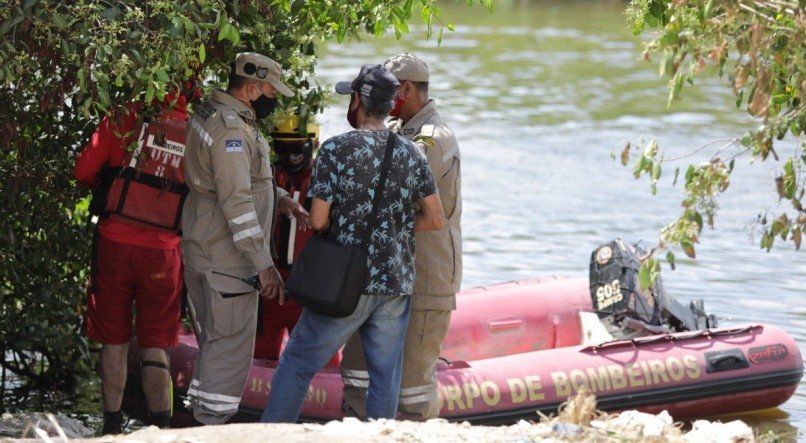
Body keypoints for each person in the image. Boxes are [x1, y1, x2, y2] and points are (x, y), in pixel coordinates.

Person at [260, 64, 445, 423]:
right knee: (384, 376)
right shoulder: (412, 152)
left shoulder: (335, 149)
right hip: (395, 282)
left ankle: (272, 433)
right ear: (391, 105)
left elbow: (316, 220)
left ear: (358, 100)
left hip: (345, 282)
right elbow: (436, 218)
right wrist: (394, 229)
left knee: (298, 362)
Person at [181, 52, 309, 425]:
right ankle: (211, 426)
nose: (275, 98)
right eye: (271, 90)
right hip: (227, 260)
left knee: (214, 347)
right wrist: (264, 266)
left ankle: (201, 422)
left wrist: (281, 200)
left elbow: (231, 181)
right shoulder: (233, 129)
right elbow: (236, 201)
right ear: (252, 89)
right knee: (228, 353)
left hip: (204, 247)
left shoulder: (211, 113)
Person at [341, 52, 462, 421]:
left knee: (413, 387)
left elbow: (395, 193)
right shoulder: (396, 132)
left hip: (426, 276)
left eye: (389, 91)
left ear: (406, 89)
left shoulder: (432, 140)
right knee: (358, 375)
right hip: (387, 275)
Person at [74, 90, 194, 434]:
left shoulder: (123, 118)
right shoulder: (198, 134)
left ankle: (111, 429)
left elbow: (82, 170)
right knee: (156, 344)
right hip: (164, 253)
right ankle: (162, 430)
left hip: (115, 246)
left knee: (114, 340)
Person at [253, 119, 340, 367]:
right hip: (271, 283)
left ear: (313, 145)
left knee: (323, 361)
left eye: (296, 150)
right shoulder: (269, 177)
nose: (290, 157)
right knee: (259, 355)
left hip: (310, 289)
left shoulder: (326, 181)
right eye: (282, 150)